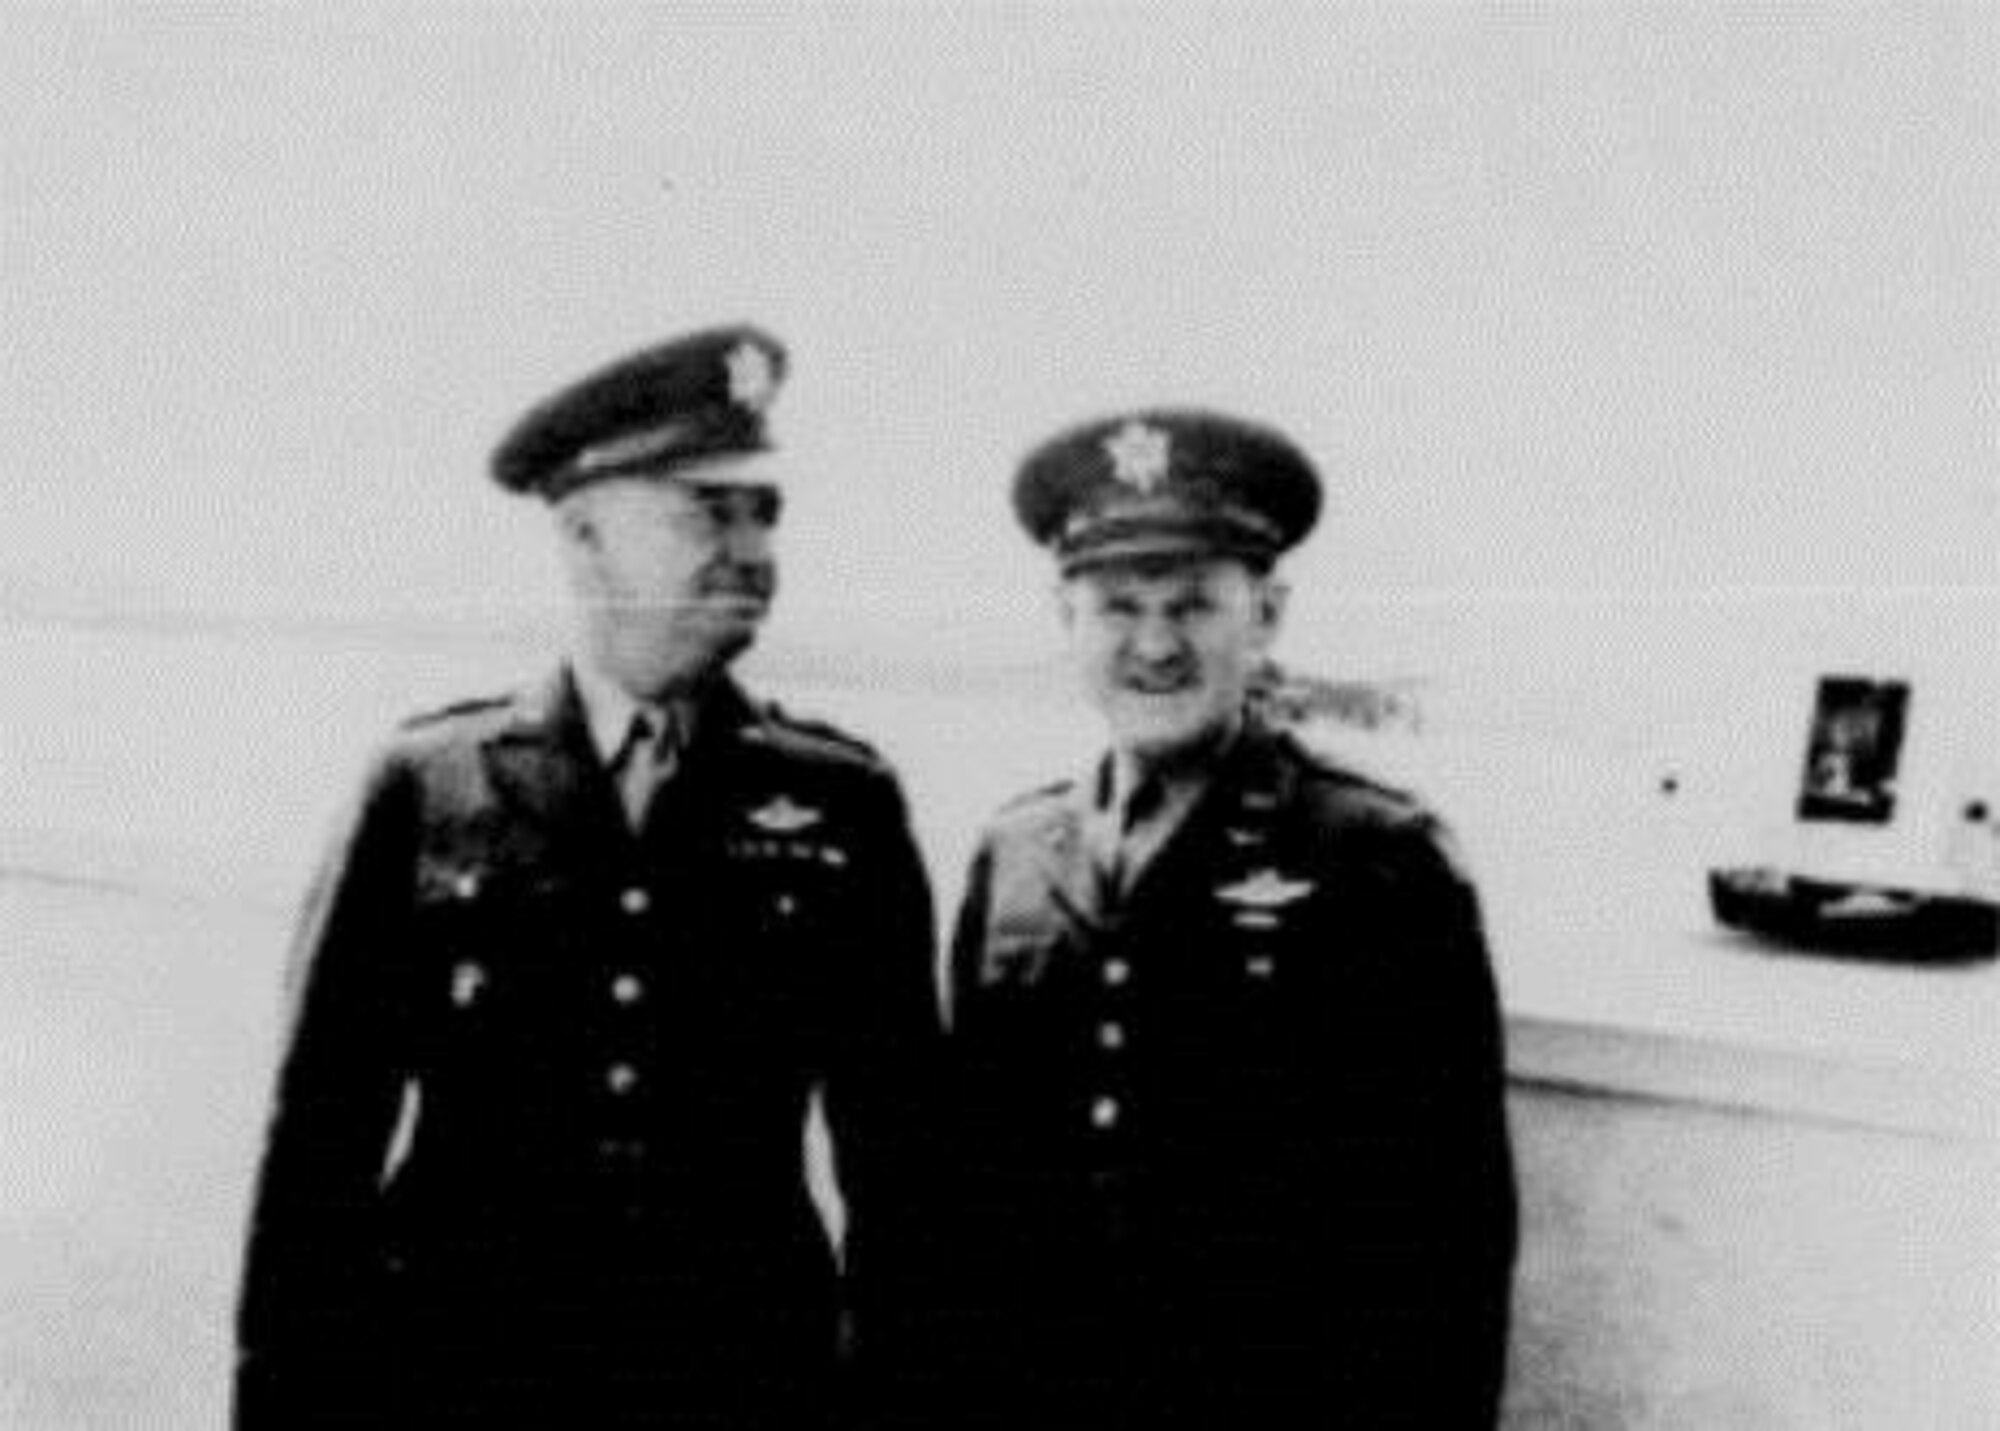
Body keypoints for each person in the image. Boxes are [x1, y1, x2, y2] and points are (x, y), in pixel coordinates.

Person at [233, 325, 944, 1428]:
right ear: (581, 535)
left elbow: (902, 1189)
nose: (750, 547)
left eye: (764, 513)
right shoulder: (428, 788)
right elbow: (315, 1163)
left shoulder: (843, 804)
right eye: (707, 509)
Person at [935, 409, 1518, 1428]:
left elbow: (1445, 1237)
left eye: (1194, 604)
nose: (1154, 643)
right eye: (1117, 605)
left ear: (1266, 614)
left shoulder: (1372, 857)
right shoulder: (1015, 854)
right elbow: (966, 1201)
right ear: (1062, 617)